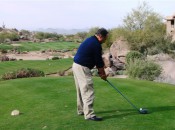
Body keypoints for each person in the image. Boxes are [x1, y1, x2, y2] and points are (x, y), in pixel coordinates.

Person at [72, 28, 108, 121]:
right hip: (82, 67)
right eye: (105, 38)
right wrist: (102, 74)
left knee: (81, 89)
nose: (105, 40)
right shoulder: (96, 44)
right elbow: (99, 62)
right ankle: (89, 115)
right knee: (88, 90)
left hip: (76, 66)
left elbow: (97, 61)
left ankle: (81, 110)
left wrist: (101, 73)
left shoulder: (90, 39)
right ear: (100, 36)